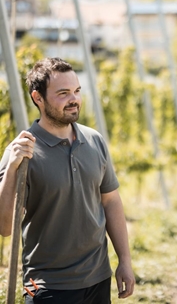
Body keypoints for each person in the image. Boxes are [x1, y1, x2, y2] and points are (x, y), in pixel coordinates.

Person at [0, 57, 135, 303]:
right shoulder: (22, 152)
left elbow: (111, 202)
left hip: (97, 277)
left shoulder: (94, 140)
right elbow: (4, 226)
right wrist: (11, 170)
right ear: (37, 98)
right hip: (43, 285)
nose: (74, 99)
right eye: (63, 93)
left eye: (77, 91)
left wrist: (124, 261)